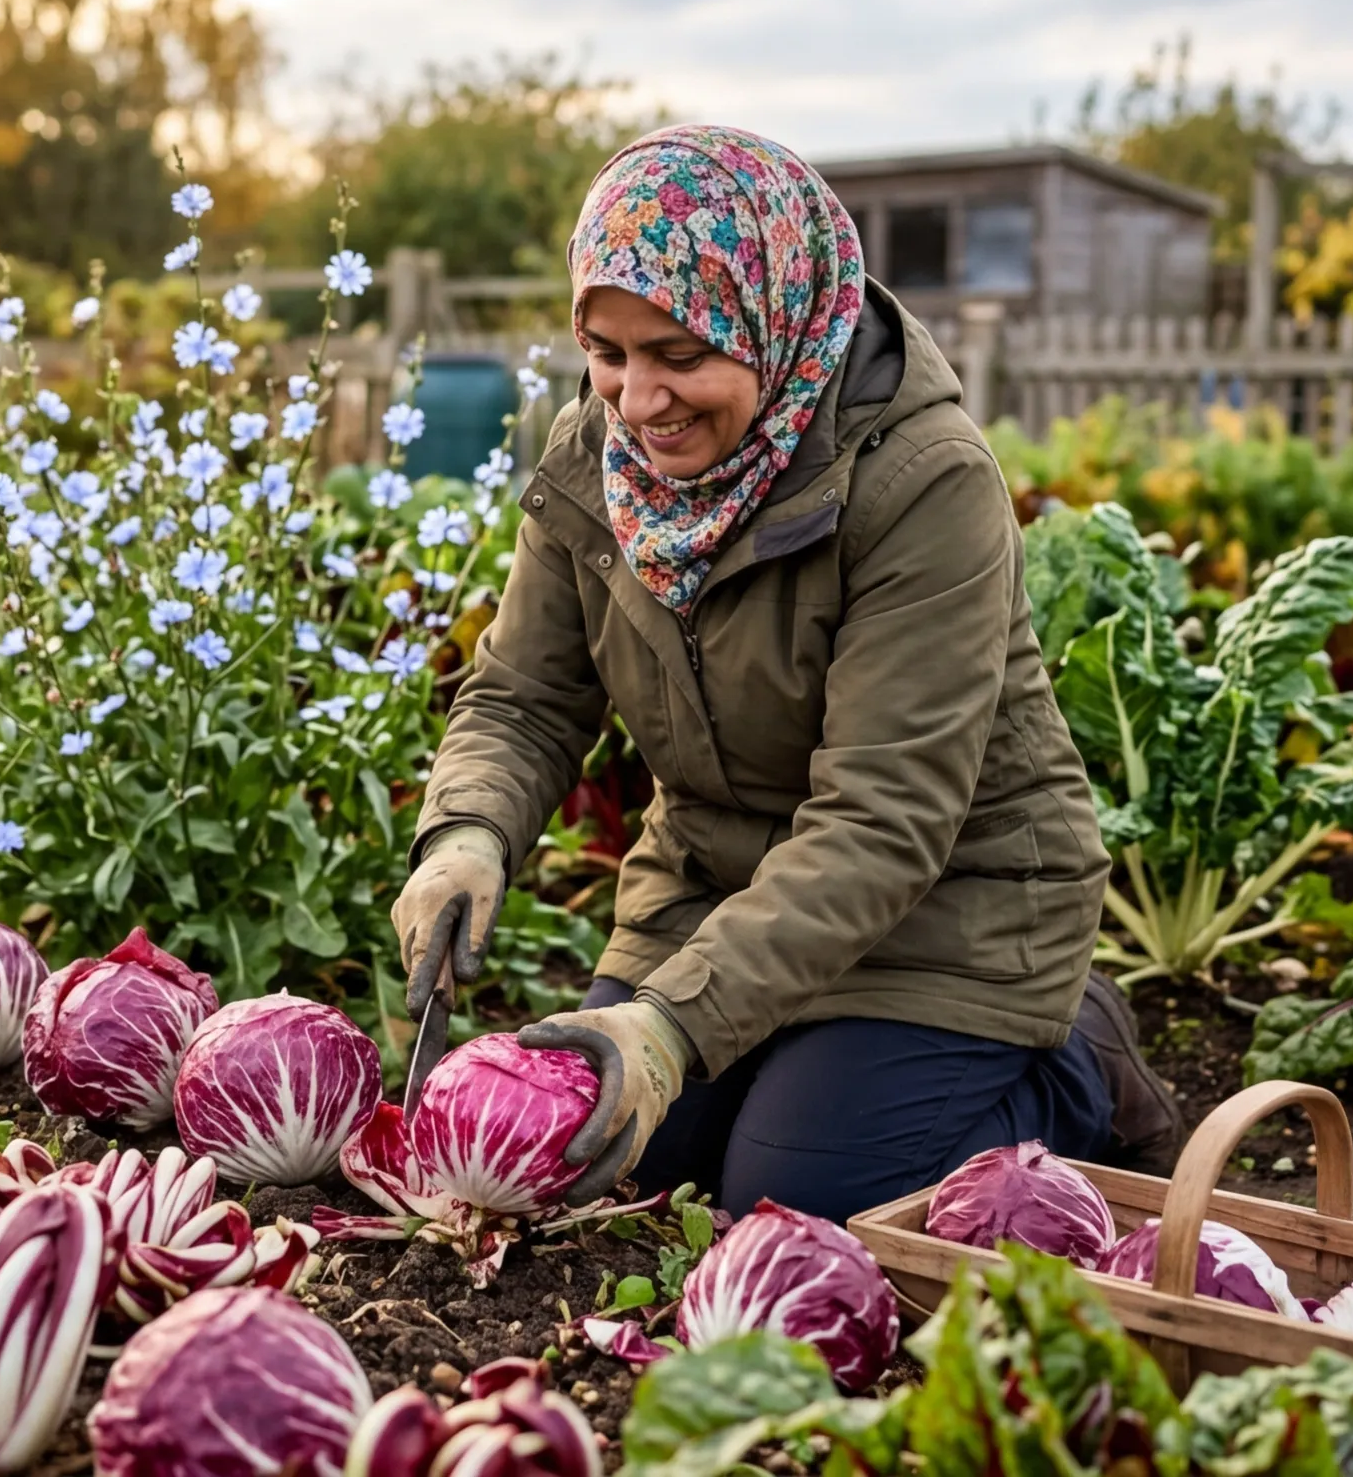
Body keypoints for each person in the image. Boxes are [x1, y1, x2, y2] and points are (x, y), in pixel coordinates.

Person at [390, 124, 1179, 1222]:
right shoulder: (594, 461)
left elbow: (884, 819)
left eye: (680, 355)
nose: (638, 400)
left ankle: (1075, 1066)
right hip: (711, 889)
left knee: (802, 1195)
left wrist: (671, 1026)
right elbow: (524, 696)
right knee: (617, 1165)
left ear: (772, 320)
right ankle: (792, 1067)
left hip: (948, 910)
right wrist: (466, 831)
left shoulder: (921, 480)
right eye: (608, 353)